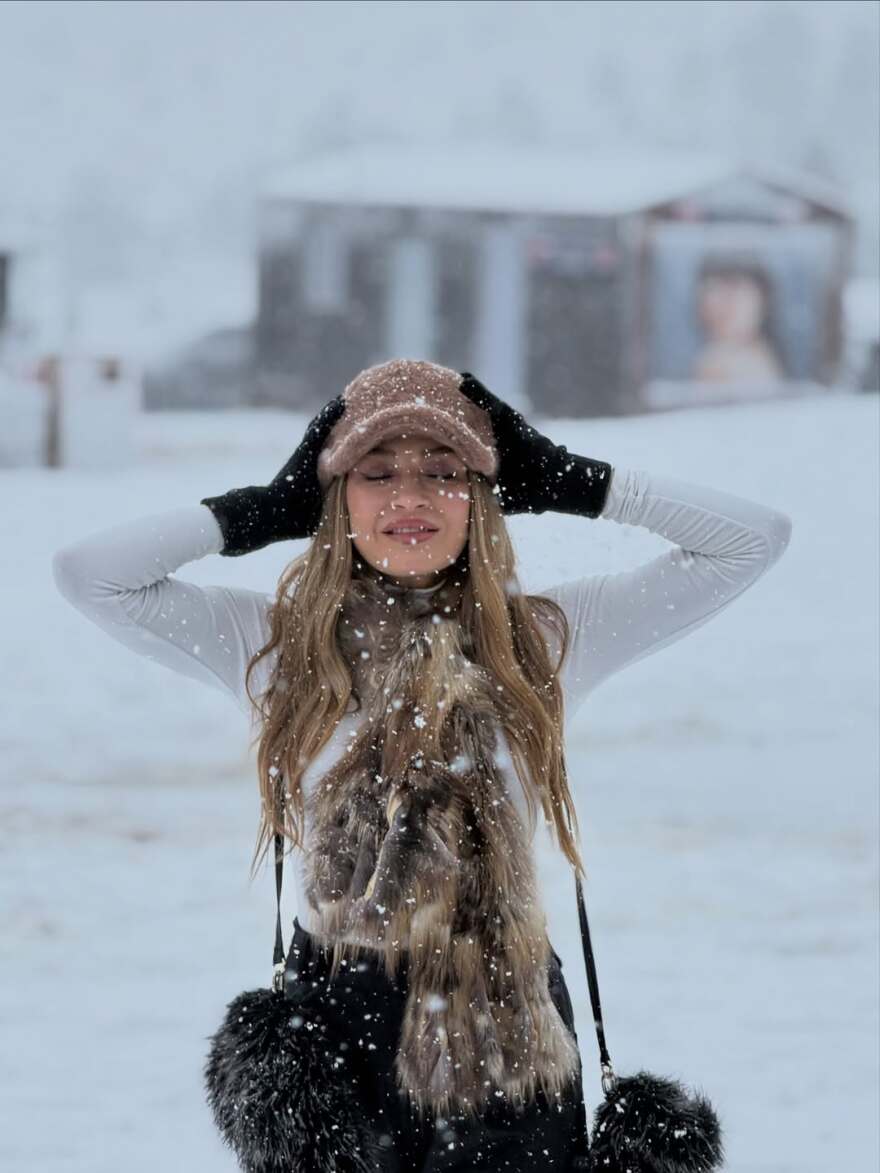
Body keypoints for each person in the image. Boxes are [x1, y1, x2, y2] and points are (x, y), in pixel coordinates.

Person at [52, 358, 793, 1171]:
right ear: (334, 497)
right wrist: (264, 511)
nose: (410, 497)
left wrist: (567, 479)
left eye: (443, 472)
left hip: (511, 1043)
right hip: (336, 1037)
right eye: (377, 473)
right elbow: (91, 575)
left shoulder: (541, 640)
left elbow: (751, 541)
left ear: (484, 496)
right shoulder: (275, 648)